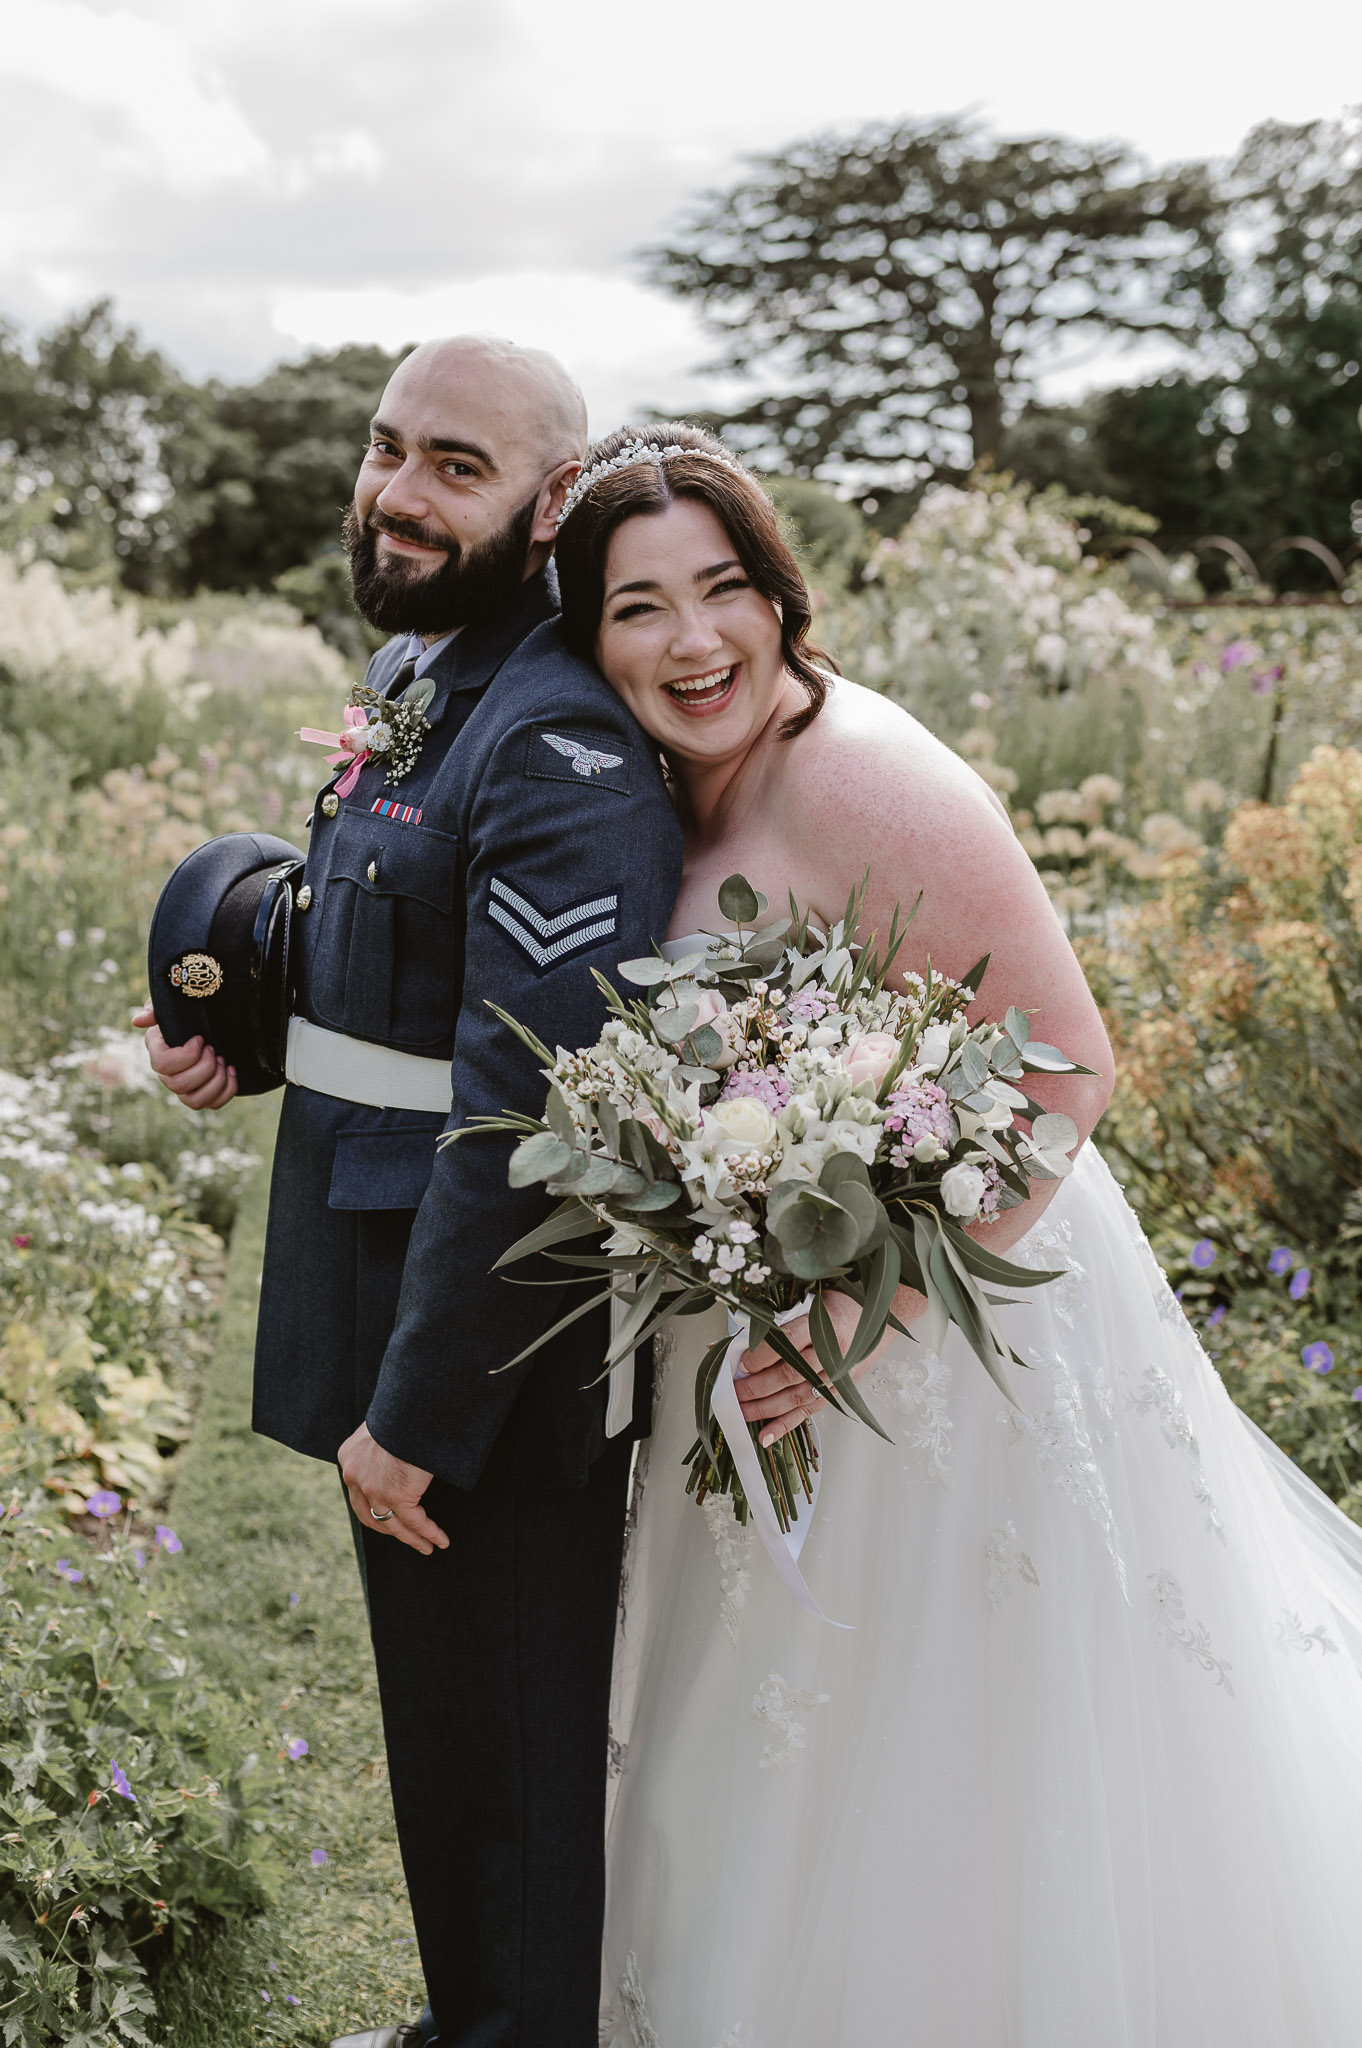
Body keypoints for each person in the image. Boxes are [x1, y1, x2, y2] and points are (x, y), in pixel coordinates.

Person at [550, 424, 1362, 2047]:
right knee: (768, 1738)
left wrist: (861, 1323)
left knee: (954, 1746)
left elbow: (1067, 1059)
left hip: (938, 1338)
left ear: (782, 600)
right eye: (638, 609)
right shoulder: (646, 788)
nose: (691, 641)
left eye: (722, 591)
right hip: (755, 1327)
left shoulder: (859, 770)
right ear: (586, 640)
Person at [136, 340, 684, 2048]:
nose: (398, 489)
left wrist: (424, 1410)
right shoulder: (422, 668)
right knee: (447, 1732)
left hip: (483, 1349)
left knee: (510, 1755)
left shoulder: (560, 742)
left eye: (457, 464)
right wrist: (265, 1034)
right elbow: (406, 962)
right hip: (382, 1275)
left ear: (547, 508)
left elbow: (537, 1112)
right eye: (388, 448)